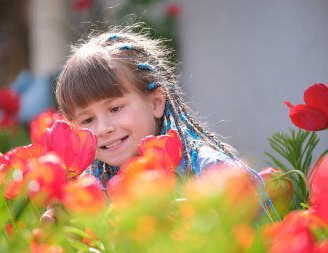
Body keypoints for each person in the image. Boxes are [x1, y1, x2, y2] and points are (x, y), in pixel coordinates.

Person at [54, 24, 278, 220]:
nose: (103, 128)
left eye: (115, 108)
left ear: (156, 103)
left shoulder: (212, 174)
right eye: (88, 119)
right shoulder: (91, 190)